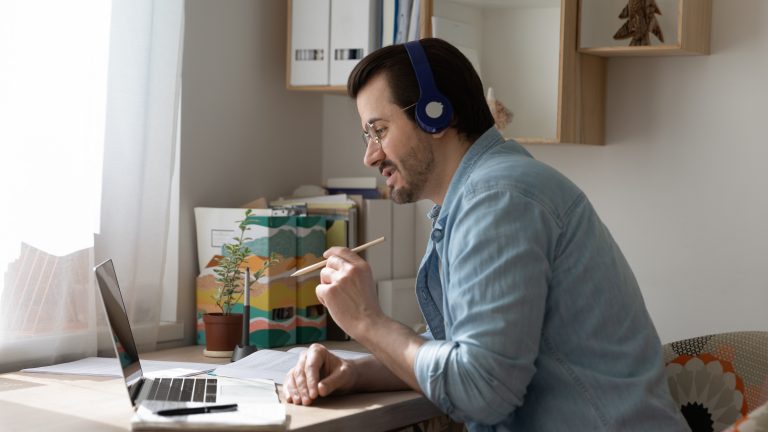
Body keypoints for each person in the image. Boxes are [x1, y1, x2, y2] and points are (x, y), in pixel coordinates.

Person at [284, 38, 689, 431]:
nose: (370, 155)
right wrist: (356, 373)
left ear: (435, 114)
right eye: (367, 135)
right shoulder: (487, 193)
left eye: (379, 130)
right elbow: (465, 354)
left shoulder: (497, 199)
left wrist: (368, 322)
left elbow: (479, 390)